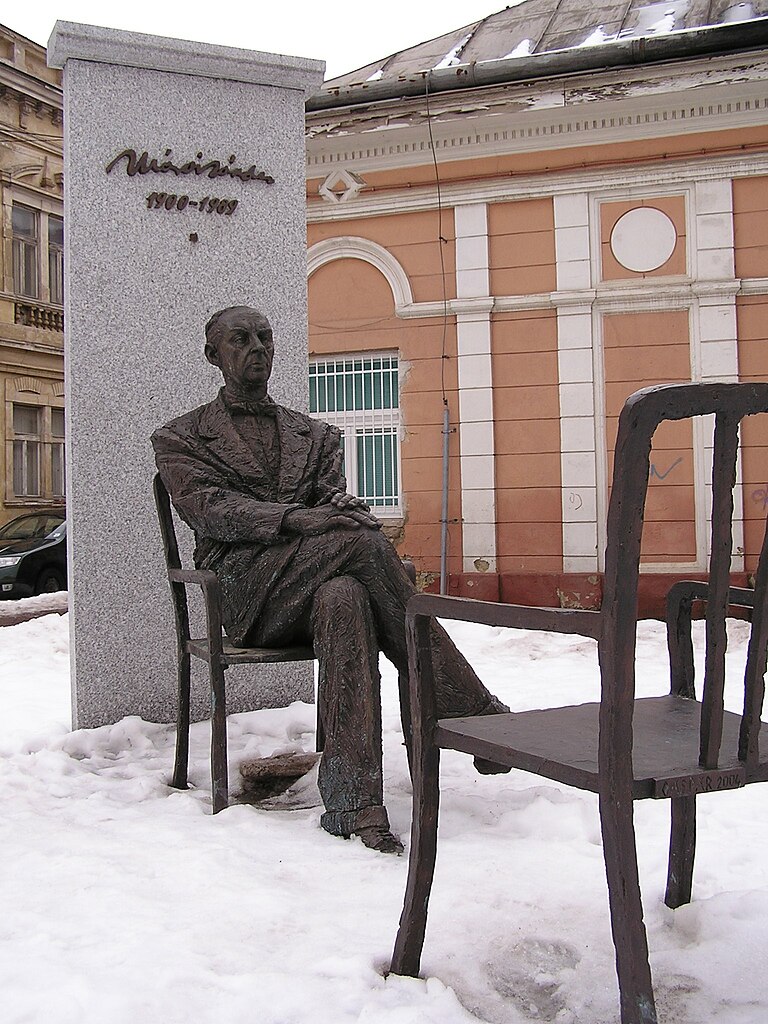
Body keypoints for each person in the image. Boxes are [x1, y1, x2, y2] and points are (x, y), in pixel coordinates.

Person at [152, 306, 507, 854]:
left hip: (316, 587)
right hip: (247, 597)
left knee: (345, 595)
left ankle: (353, 803)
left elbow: (326, 501)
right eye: (241, 339)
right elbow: (211, 511)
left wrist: (343, 507)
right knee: (363, 547)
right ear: (213, 355)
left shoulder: (315, 436)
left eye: (265, 338)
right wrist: (296, 519)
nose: (257, 348)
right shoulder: (182, 437)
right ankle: (466, 705)